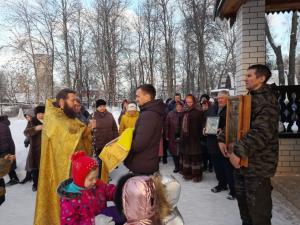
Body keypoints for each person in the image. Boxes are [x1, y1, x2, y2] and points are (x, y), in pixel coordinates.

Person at [218, 64, 279, 225]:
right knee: (245, 213)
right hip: (242, 167)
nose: (246, 78)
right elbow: (235, 121)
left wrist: (237, 152)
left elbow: (261, 132)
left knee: (259, 215)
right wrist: (222, 139)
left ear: (261, 78)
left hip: (258, 167)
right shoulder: (247, 98)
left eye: (250, 75)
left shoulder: (268, 100)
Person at [34, 88, 92, 225]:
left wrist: (85, 131)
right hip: (57, 172)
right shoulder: (54, 118)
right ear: (61, 102)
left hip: (72, 171)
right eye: (72, 100)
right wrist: (86, 129)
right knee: (60, 206)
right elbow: (69, 136)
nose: (75, 103)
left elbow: (75, 131)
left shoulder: (66, 115)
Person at [57, 151, 119, 225]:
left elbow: (108, 190)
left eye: (96, 177)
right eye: (91, 179)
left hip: (104, 220)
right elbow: (68, 223)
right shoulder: (69, 201)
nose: (95, 181)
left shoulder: (97, 185)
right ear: (80, 179)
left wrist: (121, 192)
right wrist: (93, 222)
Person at [124, 84, 165, 175]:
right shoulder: (149, 112)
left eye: (138, 96)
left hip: (143, 165)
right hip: (146, 161)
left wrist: (124, 144)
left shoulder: (149, 115)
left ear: (147, 96)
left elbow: (138, 144)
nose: (136, 99)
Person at [205, 91, 235, 200]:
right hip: (212, 142)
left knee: (227, 167)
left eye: (222, 98)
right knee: (217, 166)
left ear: (228, 98)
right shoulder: (213, 108)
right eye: (218, 98)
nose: (220, 100)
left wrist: (222, 131)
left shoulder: (232, 109)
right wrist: (205, 129)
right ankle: (221, 184)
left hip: (225, 143)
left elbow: (233, 127)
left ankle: (233, 190)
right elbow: (208, 121)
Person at [180, 94, 204, 182]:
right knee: (186, 156)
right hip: (185, 138)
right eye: (187, 102)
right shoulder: (183, 111)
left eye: (190, 102)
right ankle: (187, 174)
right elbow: (181, 124)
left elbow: (202, 123)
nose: (189, 103)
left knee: (195, 157)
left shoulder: (198, 111)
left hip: (195, 137)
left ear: (194, 101)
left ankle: (197, 175)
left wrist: (200, 134)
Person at [23, 105, 45, 192]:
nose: (41, 115)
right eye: (39, 113)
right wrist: (36, 128)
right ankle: (35, 184)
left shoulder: (50, 122)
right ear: (36, 114)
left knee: (44, 168)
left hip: (46, 150)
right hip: (35, 150)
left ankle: (44, 184)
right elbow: (26, 132)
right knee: (35, 168)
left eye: (43, 113)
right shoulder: (32, 122)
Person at [165, 101, 184, 173]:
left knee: (181, 152)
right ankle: (177, 166)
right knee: (174, 152)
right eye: (177, 106)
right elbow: (166, 125)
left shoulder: (185, 114)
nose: (179, 108)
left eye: (180, 106)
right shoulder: (170, 114)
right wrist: (166, 135)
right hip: (172, 136)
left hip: (182, 136)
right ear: (175, 107)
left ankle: (182, 167)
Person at [0, 115, 19, 186]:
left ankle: (14, 179)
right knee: (8, 162)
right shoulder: (3, 124)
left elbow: (4, 140)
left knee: (7, 162)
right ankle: (13, 178)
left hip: (5, 148)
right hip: (7, 146)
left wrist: (3, 151)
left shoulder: (1, 126)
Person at [20, 109, 35, 184]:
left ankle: (33, 178)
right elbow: (27, 133)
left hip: (37, 146)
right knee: (29, 161)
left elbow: (31, 133)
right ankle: (28, 176)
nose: (27, 118)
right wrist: (26, 141)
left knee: (33, 162)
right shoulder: (29, 123)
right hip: (32, 145)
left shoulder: (35, 123)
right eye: (26, 117)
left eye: (29, 117)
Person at [200, 99, 213, 172]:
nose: (204, 106)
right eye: (202, 105)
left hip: (209, 136)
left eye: (205, 105)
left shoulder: (211, 112)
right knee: (204, 152)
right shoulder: (202, 113)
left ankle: (210, 166)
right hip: (203, 136)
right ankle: (205, 165)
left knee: (209, 152)